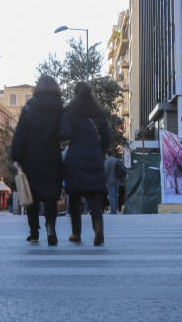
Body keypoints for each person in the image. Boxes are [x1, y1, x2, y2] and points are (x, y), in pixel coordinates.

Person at [11, 75, 65, 244]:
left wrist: (16, 157)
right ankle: (51, 227)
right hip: (52, 157)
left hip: (31, 157)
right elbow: (64, 132)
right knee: (49, 195)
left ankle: (34, 231)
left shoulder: (29, 108)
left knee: (31, 195)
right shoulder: (60, 108)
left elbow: (20, 133)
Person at [59, 81, 111, 246]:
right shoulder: (99, 112)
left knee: (74, 196)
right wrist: (98, 150)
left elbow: (65, 133)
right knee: (93, 195)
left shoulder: (69, 111)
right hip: (94, 157)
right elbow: (107, 137)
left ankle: (76, 233)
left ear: (75, 93)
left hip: (75, 157)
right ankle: (98, 228)